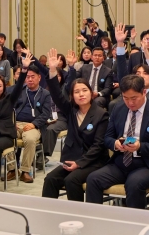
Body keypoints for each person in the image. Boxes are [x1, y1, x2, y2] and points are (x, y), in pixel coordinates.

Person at [85, 74, 149, 209]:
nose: (130, 103)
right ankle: (95, 222)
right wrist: (115, 144)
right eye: (126, 98)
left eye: (134, 98)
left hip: (147, 164)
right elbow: (107, 138)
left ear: (144, 92)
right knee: (93, 179)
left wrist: (140, 146)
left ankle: (136, 226)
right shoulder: (118, 109)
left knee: (134, 183)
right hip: (121, 162)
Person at [41, 48, 109, 201]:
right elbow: (57, 95)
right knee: (50, 179)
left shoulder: (101, 114)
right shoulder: (71, 110)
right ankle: (46, 217)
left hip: (92, 162)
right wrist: (52, 70)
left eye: (84, 90)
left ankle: (78, 219)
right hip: (71, 159)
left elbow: (98, 146)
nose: (81, 94)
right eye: (77, 92)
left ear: (91, 93)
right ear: (72, 96)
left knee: (71, 180)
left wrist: (79, 163)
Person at [12, 51, 52, 183]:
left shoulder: (45, 94)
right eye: (27, 77)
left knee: (29, 139)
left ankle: (24, 171)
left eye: (32, 77)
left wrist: (34, 124)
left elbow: (46, 114)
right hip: (17, 123)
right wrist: (12, 123)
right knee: (5, 135)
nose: (29, 79)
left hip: (34, 126)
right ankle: (12, 169)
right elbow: (11, 108)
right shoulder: (20, 90)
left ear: (39, 78)